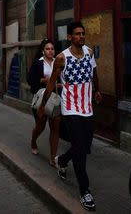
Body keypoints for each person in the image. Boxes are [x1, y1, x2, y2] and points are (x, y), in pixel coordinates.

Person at [37, 21, 102, 211]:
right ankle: (85, 191)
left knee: (85, 146)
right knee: (80, 151)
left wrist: (97, 90)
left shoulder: (89, 52)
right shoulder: (61, 58)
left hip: (87, 108)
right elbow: (51, 84)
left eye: (83, 33)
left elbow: (94, 73)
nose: (82, 36)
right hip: (70, 108)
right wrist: (42, 106)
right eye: (78, 34)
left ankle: (62, 160)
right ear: (70, 37)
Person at [28, 39, 61, 166]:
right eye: (48, 49)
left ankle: (53, 158)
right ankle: (33, 141)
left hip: (55, 99)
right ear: (43, 51)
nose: (50, 51)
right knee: (40, 126)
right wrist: (44, 80)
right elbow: (30, 80)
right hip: (42, 99)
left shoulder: (58, 63)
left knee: (55, 128)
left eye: (52, 49)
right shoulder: (38, 63)